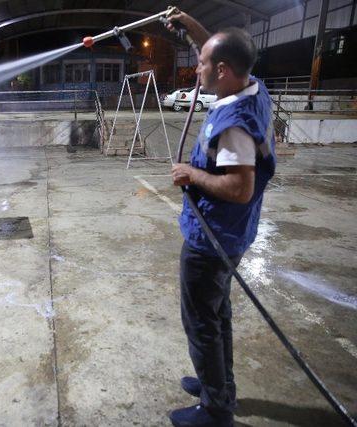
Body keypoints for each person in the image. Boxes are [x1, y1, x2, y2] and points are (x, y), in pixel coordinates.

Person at [165, 10, 276, 427]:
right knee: (217, 313)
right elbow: (222, 50)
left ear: (224, 71)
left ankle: (215, 411)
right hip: (231, 234)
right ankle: (218, 385)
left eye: (203, 64)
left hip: (212, 238)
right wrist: (193, 27)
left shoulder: (233, 125)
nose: (198, 68)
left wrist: (190, 173)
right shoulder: (250, 87)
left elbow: (240, 188)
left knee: (202, 322)